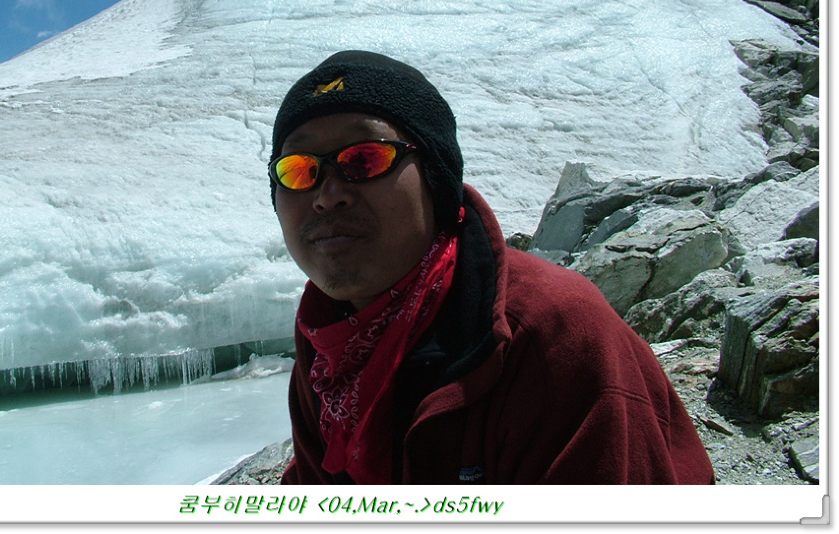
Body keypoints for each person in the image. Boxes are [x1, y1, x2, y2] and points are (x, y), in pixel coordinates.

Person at [268, 50, 715, 485]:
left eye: (365, 159)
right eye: (299, 171)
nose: (327, 195)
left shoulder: (553, 337)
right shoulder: (329, 338)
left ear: (437, 178)